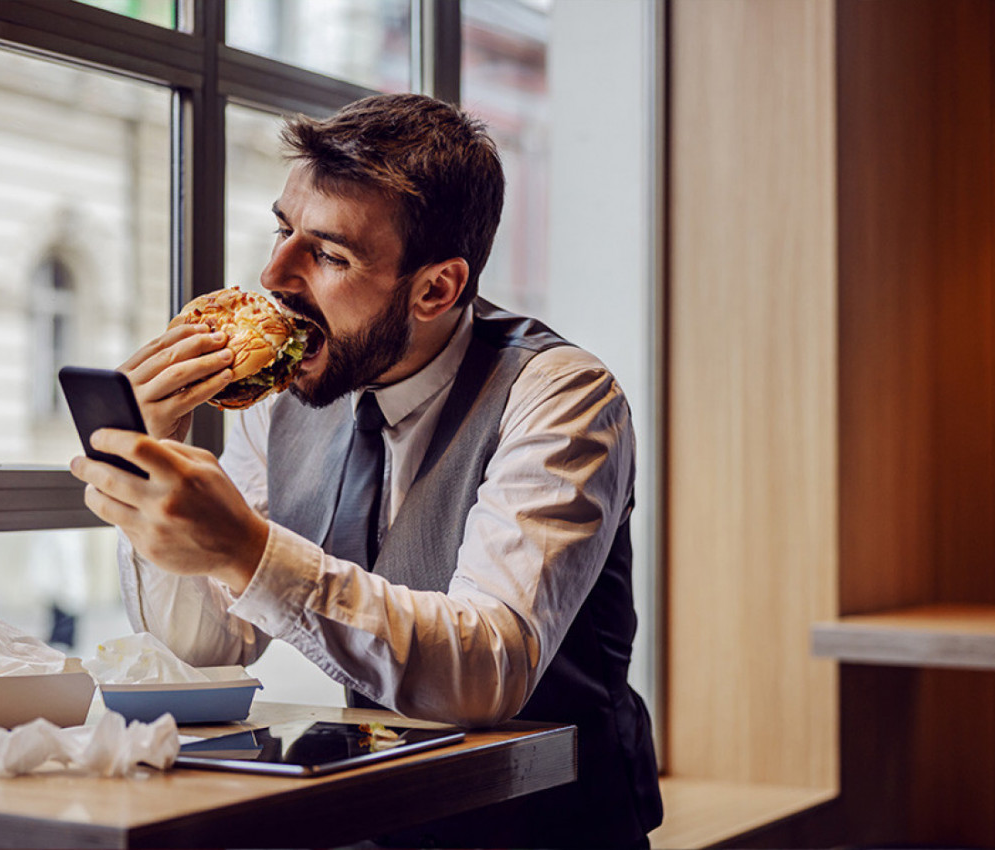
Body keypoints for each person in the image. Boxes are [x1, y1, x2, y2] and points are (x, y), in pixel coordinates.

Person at [69, 92, 662, 848]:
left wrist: (245, 548)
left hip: (555, 820)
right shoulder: (279, 397)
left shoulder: (561, 393)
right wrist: (154, 474)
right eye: (282, 230)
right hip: (384, 809)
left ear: (437, 288)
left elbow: (490, 672)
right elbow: (205, 651)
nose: (273, 274)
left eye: (327, 253)